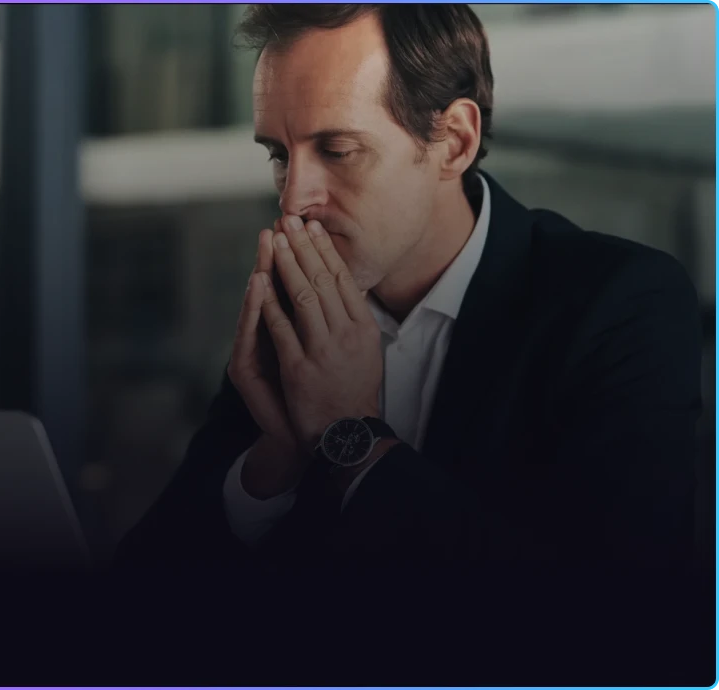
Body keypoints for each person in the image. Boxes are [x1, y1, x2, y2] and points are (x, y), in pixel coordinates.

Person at [114, 5, 707, 684]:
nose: (293, 200)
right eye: (280, 155)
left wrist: (349, 434)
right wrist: (271, 464)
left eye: (337, 151)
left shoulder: (617, 302)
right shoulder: (297, 311)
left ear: (453, 141)